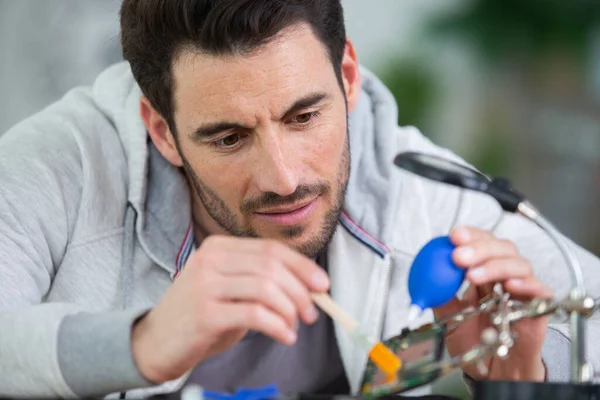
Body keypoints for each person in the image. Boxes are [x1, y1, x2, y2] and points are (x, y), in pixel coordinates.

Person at [0, 0, 599, 398]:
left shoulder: (417, 186)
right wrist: (143, 343)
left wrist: (523, 383)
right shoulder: (54, 168)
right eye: (229, 137)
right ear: (162, 130)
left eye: (305, 116)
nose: (284, 178)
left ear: (348, 77)